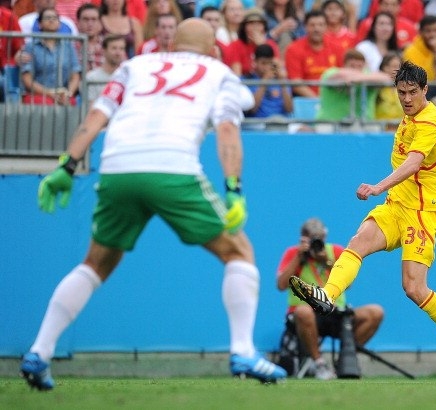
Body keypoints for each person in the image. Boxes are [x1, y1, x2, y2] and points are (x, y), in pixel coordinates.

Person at [19, 17, 287, 391]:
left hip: (117, 167)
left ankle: (39, 351)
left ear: (169, 46)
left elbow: (97, 114)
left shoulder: (135, 65)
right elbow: (226, 129)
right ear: (214, 50)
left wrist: (66, 164)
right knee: (239, 252)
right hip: (172, 167)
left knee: (95, 263)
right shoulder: (219, 73)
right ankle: (243, 350)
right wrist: (233, 186)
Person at [288, 60, 436, 385]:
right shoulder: (415, 116)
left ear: (425, 90)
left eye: (412, 92)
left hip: (421, 214)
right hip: (396, 207)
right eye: (401, 92)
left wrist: (378, 187)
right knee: (357, 242)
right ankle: (328, 294)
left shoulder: (430, 122)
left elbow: (414, 163)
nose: (406, 99)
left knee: (414, 288)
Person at [276, 218, 384, 380]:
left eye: (319, 239)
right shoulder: (294, 253)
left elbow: (348, 284)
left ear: (324, 237)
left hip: (336, 312)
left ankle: (345, 360)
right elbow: (281, 285)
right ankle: (319, 363)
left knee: (375, 313)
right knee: (303, 312)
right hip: (305, 315)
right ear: (303, 238)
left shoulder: (335, 252)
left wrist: (326, 261)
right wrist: (298, 258)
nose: (315, 244)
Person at [20, 7, 81, 105]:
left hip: (63, 94)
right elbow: (27, 79)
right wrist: (49, 93)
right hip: (38, 95)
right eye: (47, 18)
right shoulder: (31, 47)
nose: (51, 20)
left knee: (71, 103)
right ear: (40, 24)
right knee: (46, 104)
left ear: (59, 23)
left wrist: (68, 94)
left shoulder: (68, 46)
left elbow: (75, 75)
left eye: (54, 18)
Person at [316, 48, 392, 121]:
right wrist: (362, 77)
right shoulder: (331, 72)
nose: (356, 69)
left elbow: (386, 78)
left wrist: (356, 79)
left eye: (359, 66)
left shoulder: (368, 76)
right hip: (330, 123)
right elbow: (338, 75)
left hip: (364, 125)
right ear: (344, 65)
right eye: (352, 66)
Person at [284, 10, 344, 97]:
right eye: (312, 25)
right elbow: (296, 82)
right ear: (305, 27)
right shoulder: (293, 49)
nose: (316, 29)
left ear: (326, 27)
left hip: (334, 97)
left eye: (321, 25)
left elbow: (343, 76)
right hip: (305, 100)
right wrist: (317, 100)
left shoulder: (337, 48)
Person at [243, 43, 292, 119]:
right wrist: (265, 81)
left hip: (282, 121)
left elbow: (289, 109)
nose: (267, 67)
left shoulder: (281, 79)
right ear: (255, 62)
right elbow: (252, 109)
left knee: (303, 126)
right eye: (263, 63)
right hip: (259, 122)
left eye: (270, 63)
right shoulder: (247, 80)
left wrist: (282, 82)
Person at [225, 7, 279, 76]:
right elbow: (237, 75)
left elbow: (276, 70)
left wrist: (262, 47)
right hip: (246, 81)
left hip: (268, 80)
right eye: (251, 24)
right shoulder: (236, 46)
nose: (255, 28)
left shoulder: (271, 44)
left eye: (259, 24)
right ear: (244, 27)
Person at [86, 34, 126, 102]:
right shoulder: (91, 78)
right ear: (104, 51)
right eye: (114, 48)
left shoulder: (127, 77)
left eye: (121, 49)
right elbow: (91, 105)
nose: (118, 53)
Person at [374, 51, 404, 126]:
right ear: (384, 67)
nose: (397, 70)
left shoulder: (405, 88)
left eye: (399, 67)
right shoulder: (376, 86)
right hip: (380, 128)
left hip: (401, 128)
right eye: (394, 66)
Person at [76, 3, 104, 71]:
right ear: (78, 22)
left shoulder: (109, 45)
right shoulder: (71, 46)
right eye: (85, 19)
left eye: (94, 19)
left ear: (100, 23)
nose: (90, 24)